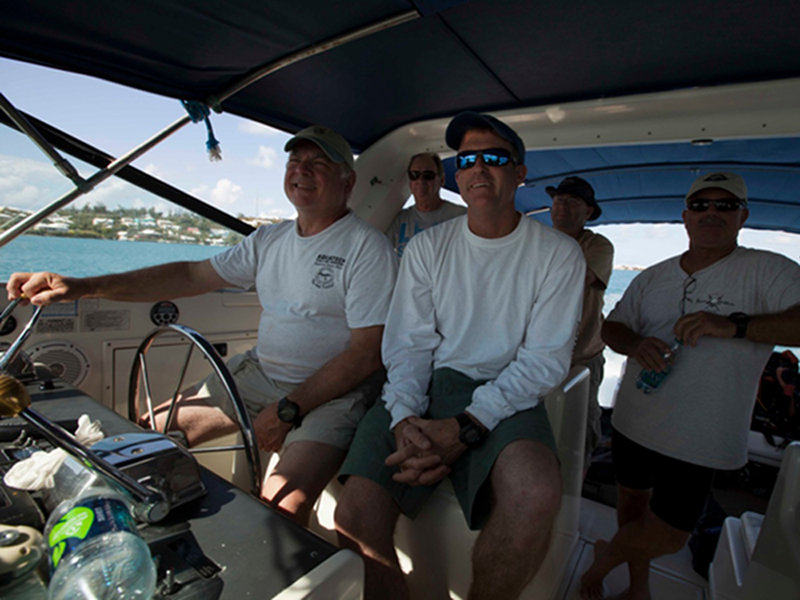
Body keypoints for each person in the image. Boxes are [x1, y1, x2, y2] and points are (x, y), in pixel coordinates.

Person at [6, 125, 398, 527]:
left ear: (347, 182)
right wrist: (85, 287)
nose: (302, 170)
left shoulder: (367, 249)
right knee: (144, 437)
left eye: (318, 163)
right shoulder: (268, 240)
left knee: (281, 504)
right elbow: (192, 276)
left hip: (331, 395)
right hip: (260, 375)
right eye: (295, 161)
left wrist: (289, 408)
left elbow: (367, 353)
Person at [334, 112, 586, 600]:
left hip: (509, 393)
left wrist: (467, 426)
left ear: (520, 172)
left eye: (495, 158)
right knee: (355, 514)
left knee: (536, 493)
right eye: (467, 160)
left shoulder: (557, 254)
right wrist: (406, 417)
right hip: (426, 386)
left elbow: (544, 361)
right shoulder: (427, 248)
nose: (478, 169)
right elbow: (409, 345)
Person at [580, 172, 800, 600]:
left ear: (743, 216)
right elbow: (613, 328)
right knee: (632, 511)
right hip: (633, 421)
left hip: (702, 433)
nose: (712, 213)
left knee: (670, 535)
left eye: (725, 205)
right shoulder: (654, 276)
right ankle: (637, 587)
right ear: (685, 217)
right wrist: (636, 343)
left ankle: (606, 557)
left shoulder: (768, 270)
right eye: (701, 206)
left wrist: (734, 325)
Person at [547, 176, 614, 471]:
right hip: (539, 357)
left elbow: (578, 277)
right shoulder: (537, 242)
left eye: (572, 202)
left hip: (582, 357)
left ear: (588, 212)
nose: (562, 207)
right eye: (559, 200)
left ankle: (575, 493)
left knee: (579, 432)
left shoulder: (597, 245)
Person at [385, 152, 466, 256]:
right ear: (410, 182)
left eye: (428, 176)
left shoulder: (461, 216)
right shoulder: (399, 220)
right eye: (414, 175)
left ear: (441, 180)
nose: (421, 180)